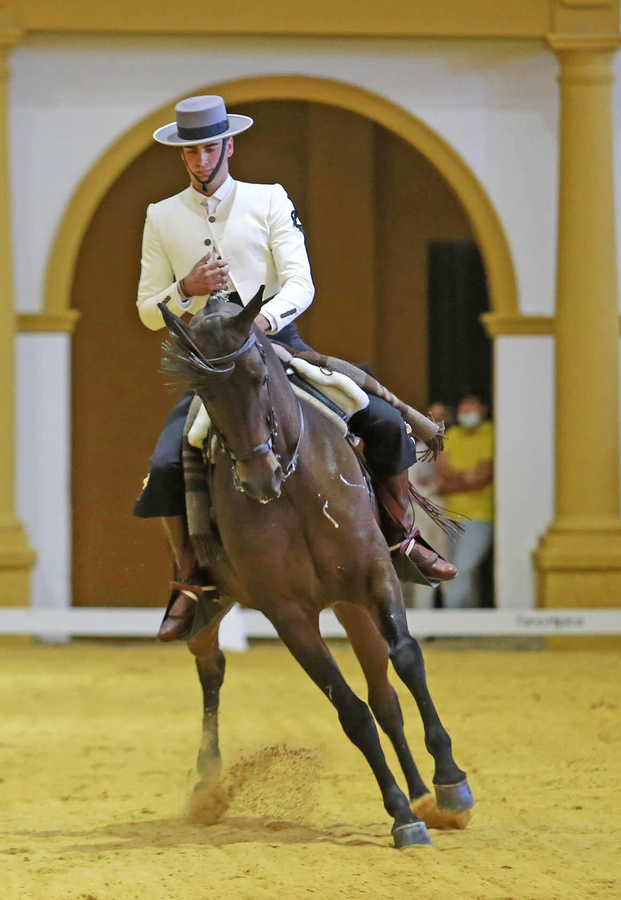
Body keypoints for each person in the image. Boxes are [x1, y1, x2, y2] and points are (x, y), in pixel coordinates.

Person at [131, 95, 456, 641]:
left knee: (379, 421)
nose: (200, 160)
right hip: (213, 366)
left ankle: (403, 537)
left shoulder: (268, 200)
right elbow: (146, 310)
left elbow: (301, 282)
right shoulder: (161, 216)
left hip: (277, 345)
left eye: (209, 147)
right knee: (166, 463)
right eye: (190, 151)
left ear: (228, 145)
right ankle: (191, 582)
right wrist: (186, 288)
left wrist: (266, 320)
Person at [436, 393, 495, 609]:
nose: (466, 414)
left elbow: (484, 476)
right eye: (463, 410)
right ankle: (469, 626)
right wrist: (466, 478)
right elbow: (442, 472)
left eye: (471, 409)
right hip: (450, 517)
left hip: (480, 516)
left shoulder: (491, 434)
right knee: (459, 573)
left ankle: (450, 623)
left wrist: (453, 482)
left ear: (483, 411)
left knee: (462, 567)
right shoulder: (452, 434)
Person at [405, 402, 451, 610]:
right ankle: (423, 618)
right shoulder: (413, 450)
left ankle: (455, 617)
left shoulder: (451, 449)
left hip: (446, 511)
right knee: (423, 564)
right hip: (418, 513)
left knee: (449, 563)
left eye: (440, 417)